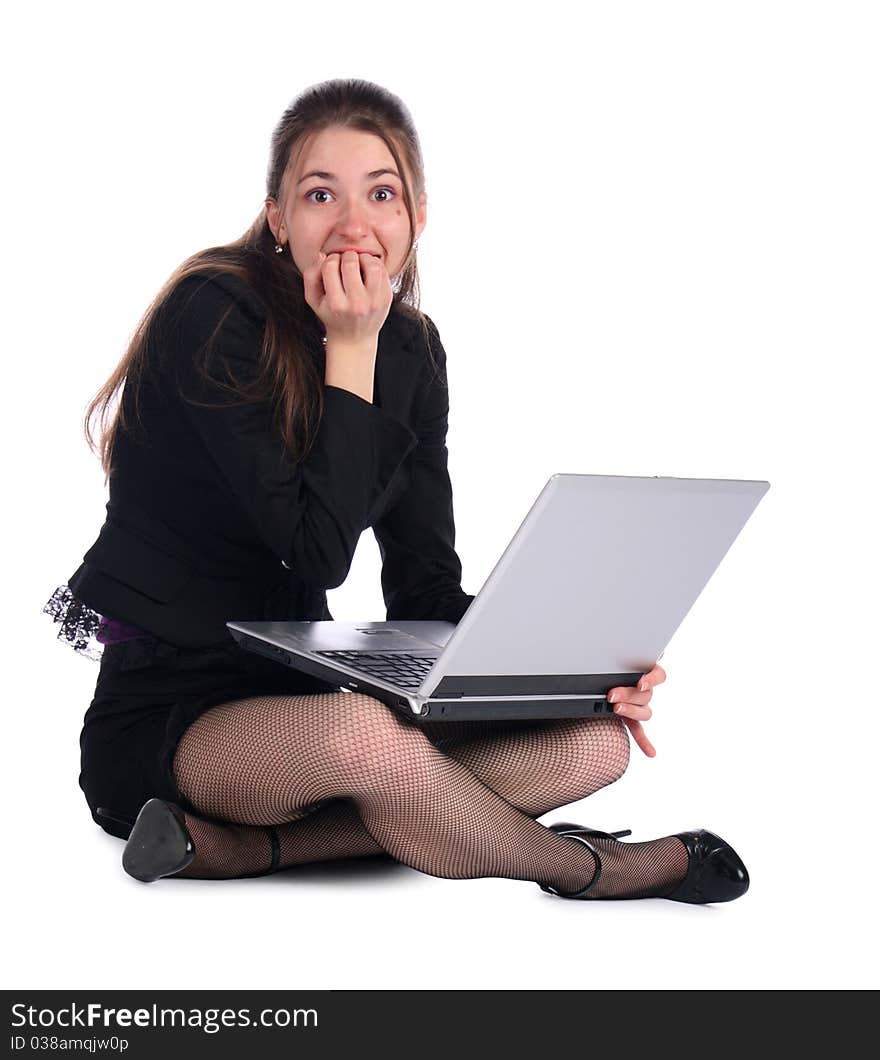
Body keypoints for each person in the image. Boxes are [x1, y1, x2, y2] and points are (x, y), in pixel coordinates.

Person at [44, 78, 749, 903]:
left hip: (303, 697)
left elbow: (422, 585)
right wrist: (352, 347)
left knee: (592, 746)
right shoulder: (213, 312)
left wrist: (570, 666)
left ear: (417, 218)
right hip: (174, 714)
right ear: (277, 217)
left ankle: (239, 852)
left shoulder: (412, 351)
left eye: (381, 193)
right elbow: (315, 549)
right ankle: (598, 869)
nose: (353, 223)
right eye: (319, 194)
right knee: (368, 741)